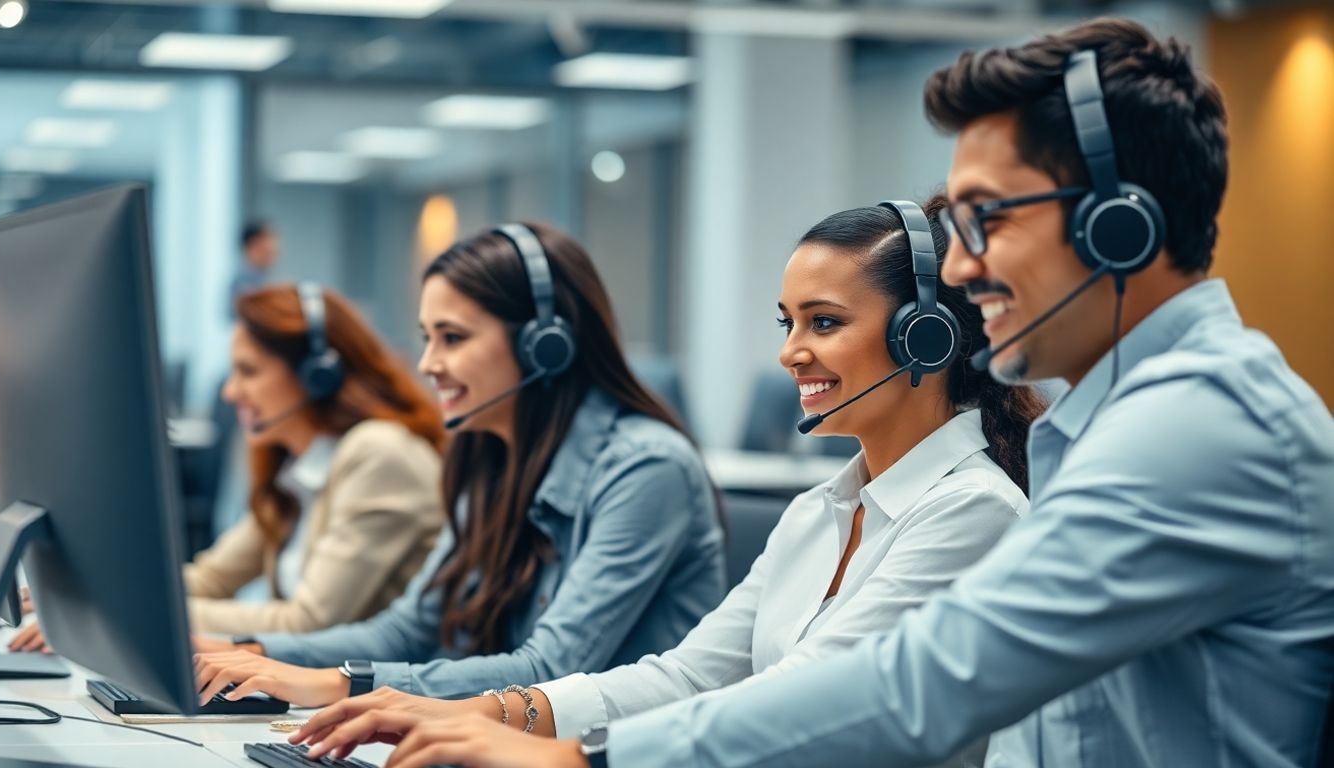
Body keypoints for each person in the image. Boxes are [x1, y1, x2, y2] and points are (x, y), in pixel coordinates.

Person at [321, 17, 1334, 768]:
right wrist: (506, 721)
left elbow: (921, 686)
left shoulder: (1200, 427)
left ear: (1120, 223)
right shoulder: (1115, 425)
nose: (964, 266)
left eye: (988, 219)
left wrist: (583, 757)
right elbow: (705, 674)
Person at [285, 198, 1047, 766]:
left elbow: (804, 699)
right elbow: (688, 674)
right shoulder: (819, 512)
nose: (790, 352)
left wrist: (576, 756)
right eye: (786, 323)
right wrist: (492, 712)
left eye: (823, 322)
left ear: (925, 336)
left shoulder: (973, 512)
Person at [188, 222, 727, 708]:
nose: (428, 365)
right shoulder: (491, 462)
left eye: (452, 338)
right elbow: (404, 632)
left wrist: (340, 684)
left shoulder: (646, 469)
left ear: (545, 346)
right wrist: (249, 652)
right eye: (427, 339)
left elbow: (549, 671)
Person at [11, 283, 448, 646]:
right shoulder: (299, 469)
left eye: (249, 371)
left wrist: (125, 616)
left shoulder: (381, 454)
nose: (230, 392)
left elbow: (309, 621)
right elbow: (212, 578)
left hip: (377, 703)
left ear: (318, 374)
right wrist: (94, 594)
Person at [230, 220, 279, 315]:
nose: (273, 249)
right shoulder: (244, 285)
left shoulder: (264, 278)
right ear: (252, 247)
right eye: (266, 250)